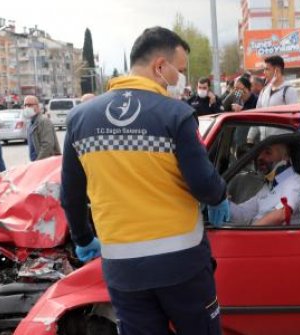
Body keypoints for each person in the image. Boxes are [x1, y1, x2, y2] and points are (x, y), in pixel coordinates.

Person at [60, 26, 229, 335]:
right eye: (179, 71)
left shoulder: (79, 119)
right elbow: (203, 184)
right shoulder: (175, 114)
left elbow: (71, 195)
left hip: (124, 272)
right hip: (183, 267)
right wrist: (220, 197)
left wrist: (83, 239)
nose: (181, 80)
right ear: (159, 67)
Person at [227, 143, 300, 226]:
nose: (260, 157)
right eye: (259, 153)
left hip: (271, 237)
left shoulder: (294, 181)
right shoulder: (267, 187)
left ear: (285, 157)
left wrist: (250, 233)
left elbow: (283, 213)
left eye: (268, 153)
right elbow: (243, 214)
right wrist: (222, 202)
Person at [23, 95, 60, 161]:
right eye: (25, 105)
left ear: (37, 106)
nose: (26, 108)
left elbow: (47, 145)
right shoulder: (31, 122)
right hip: (37, 162)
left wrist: (38, 161)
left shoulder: (43, 121)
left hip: (46, 162)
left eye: (29, 105)